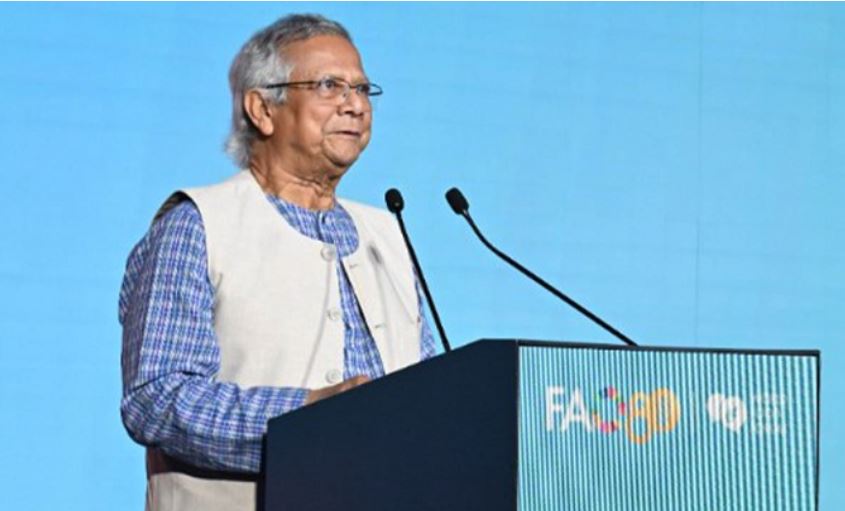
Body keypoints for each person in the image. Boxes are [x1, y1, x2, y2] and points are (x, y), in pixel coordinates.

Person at [119, 14, 436, 511]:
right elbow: (157, 398)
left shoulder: (389, 237)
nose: (355, 105)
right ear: (263, 109)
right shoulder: (198, 226)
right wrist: (302, 418)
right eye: (329, 86)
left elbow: (434, 394)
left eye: (361, 88)